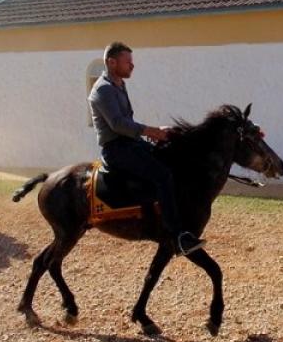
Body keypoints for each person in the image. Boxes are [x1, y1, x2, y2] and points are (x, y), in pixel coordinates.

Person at [88, 42, 205, 256]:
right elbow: (117, 124)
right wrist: (152, 131)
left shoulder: (119, 85)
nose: (132, 66)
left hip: (129, 143)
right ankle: (177, 235)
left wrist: (159, 134)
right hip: (116, 149)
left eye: (132, 62)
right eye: (128, 62)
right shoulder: (103, 90)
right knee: (162, 175)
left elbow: (127, 120)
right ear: (111, 62)